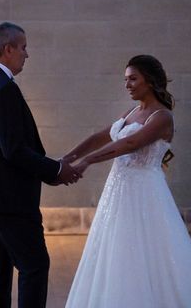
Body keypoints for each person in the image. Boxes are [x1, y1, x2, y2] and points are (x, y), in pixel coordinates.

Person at [0, 21, 82, 308]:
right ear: (7, 49)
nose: (27, 54)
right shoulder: (2, 88)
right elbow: (13, 150)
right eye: (23, 47)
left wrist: (50, 168)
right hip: (9, 200)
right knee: (34, 266)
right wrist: (55, 170)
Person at [63, 55, 191, 307]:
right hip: (117, 194)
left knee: (145, 252)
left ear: (150, 81)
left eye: (133, 78)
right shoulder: (133, 111)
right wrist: (68, 157)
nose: (127, 84)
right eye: (125, 80)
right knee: (115, 252)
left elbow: (130, 143)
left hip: (145, 195)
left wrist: (88, 161)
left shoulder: (162, 116)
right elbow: (103, 135)